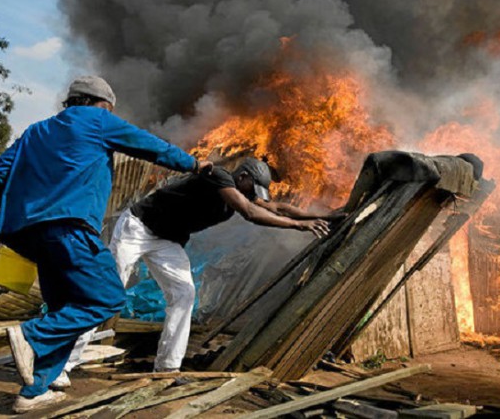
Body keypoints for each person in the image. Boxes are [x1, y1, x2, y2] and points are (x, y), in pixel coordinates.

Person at [0, 76, 212, 413]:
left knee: (66, 307)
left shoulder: (37, 130)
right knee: (107, 297)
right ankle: (32, 336)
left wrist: (24, 205)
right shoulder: (97, 121)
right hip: (71, 228)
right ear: (101, 104)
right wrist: (194, 164)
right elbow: (149, 145)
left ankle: (33, 391)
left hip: (32, 234)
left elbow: (2, 168)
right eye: (110, 109)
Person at [60, 157, 333, 381]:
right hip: (138, 228)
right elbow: (250, 213)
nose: (253, 196)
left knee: (183, 295)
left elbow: (280, 208)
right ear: (244, 176)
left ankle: (167, 369)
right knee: (106, 294)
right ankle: (61, 367)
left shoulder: (242, 192)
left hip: (166, 241)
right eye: (252, 189)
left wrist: (324, 216)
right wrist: (299, 227)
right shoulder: (220, 177)